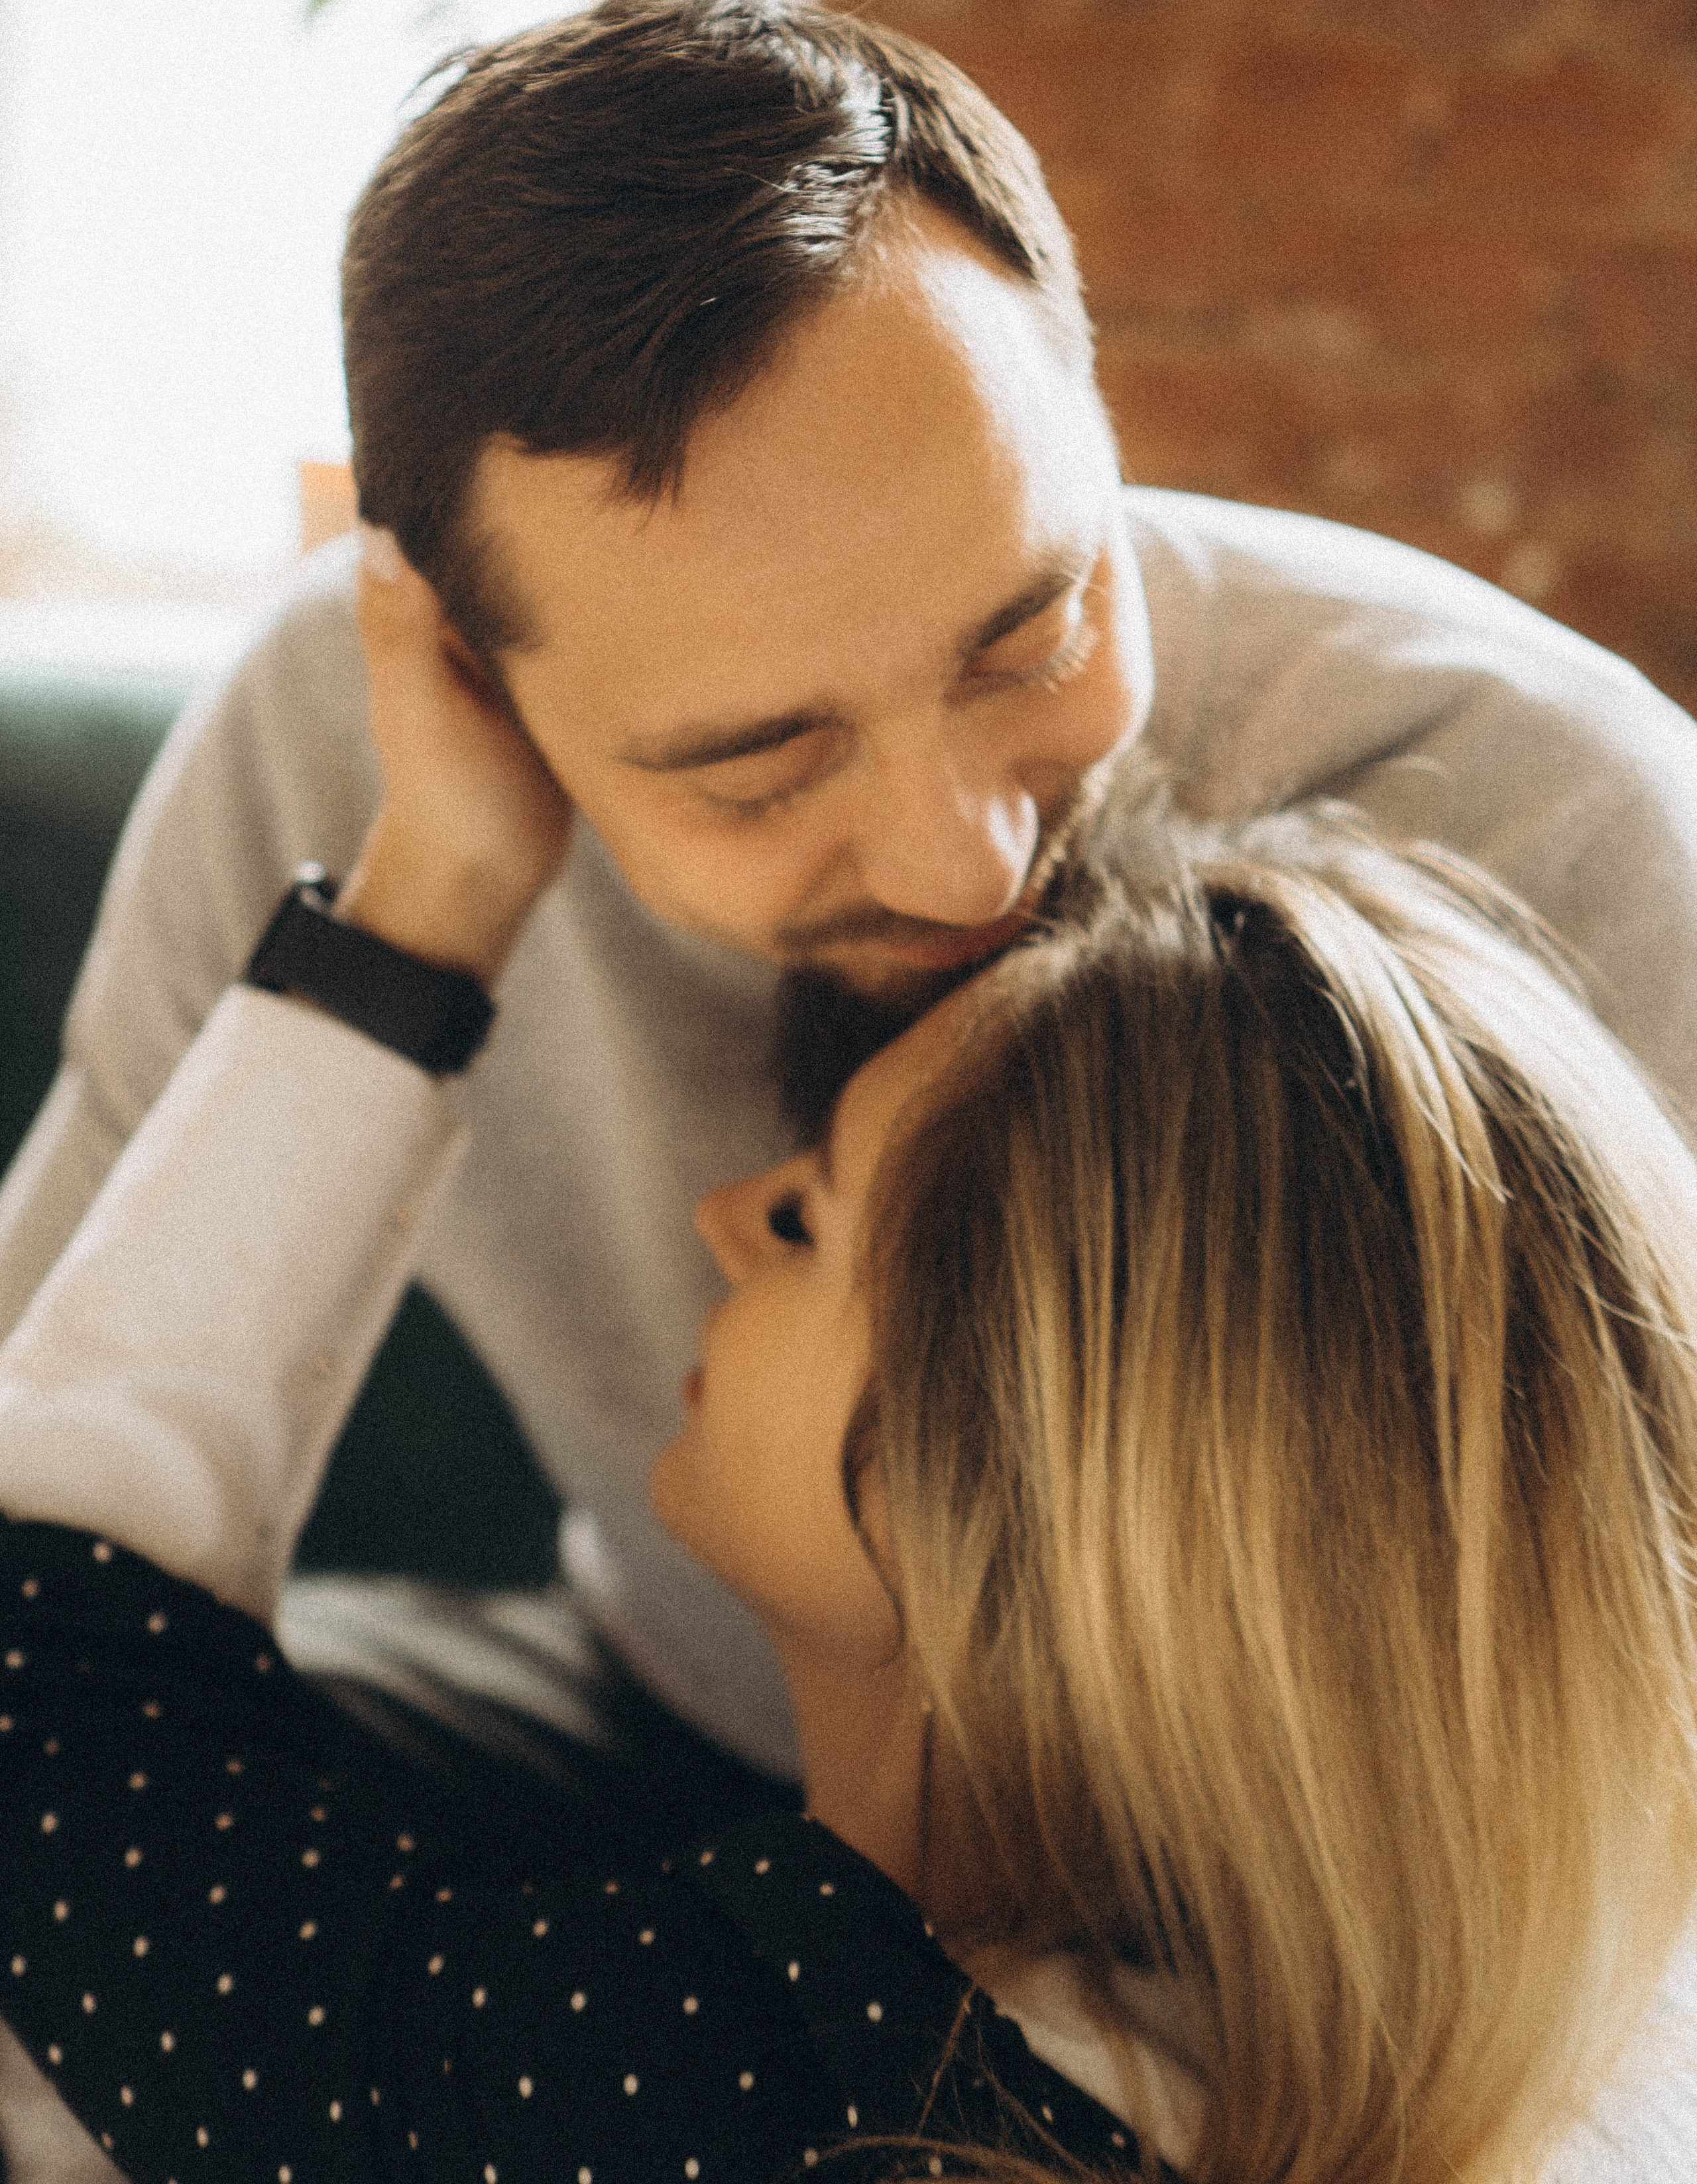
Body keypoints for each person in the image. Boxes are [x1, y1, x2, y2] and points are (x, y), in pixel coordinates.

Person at [3, 0, 1697, 2171]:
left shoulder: (1554, 825)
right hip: (687, 1714)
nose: (966, 852)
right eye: (759, 758)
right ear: (461, 664)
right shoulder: (333, 767)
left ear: (1090, 407)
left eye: (1033, 630)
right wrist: (431, 900)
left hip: (1359, 1920)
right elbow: (55, 1541)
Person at [0, 780, 1695, 2184]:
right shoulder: (1494, 2069)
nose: (719, 1218)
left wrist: (423, 910)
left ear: (1000, 1492)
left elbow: (46, 1678)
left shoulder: (772, 2094)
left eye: (811, 1219)